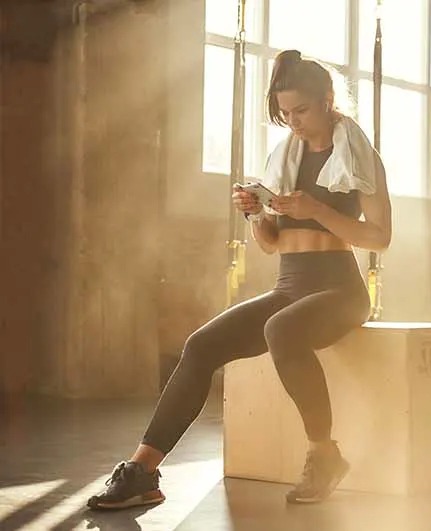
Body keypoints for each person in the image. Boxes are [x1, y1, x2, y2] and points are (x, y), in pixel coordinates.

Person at [86, 49, 392, 510]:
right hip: (289, 287)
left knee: (280, 328)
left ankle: (324, 455)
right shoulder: (284, 156)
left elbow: (380, 238)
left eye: (302, 111)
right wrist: (254, 215)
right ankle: (143, 470)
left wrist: (318, 210)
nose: (294, 123)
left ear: (328, 100)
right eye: (285, 113)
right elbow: (271, 243)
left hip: (340, 291)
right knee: (200, 345)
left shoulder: (360, 156)